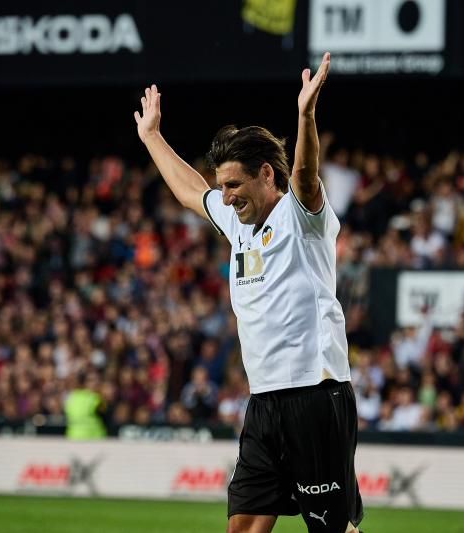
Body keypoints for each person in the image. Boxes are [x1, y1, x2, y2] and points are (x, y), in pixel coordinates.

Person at [134, 53, 363, 533]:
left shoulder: (302, 217)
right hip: (265, 403)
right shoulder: (238, 224)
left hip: (315, 396)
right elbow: (189, 190)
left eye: (235, 184)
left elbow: (304, 174)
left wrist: (305, 116)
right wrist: (152, 137)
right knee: (243, 527)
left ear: (266, 175)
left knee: (333, 530)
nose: (227, 195)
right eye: (223, 186)